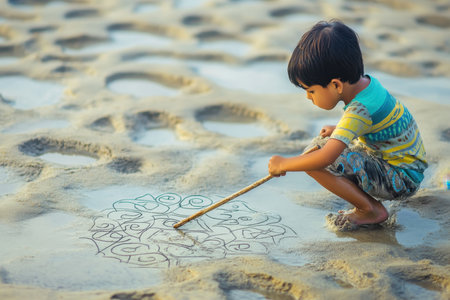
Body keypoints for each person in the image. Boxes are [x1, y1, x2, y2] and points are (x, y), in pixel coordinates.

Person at [268, 20, 427, 229]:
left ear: (335, 85)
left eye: (311, 90)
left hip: (401, 180)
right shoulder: (368, 84)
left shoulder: (358, 110)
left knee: (312, 157)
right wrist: (340, 129)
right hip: (409, 167)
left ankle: (370, 209)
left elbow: (326, 158)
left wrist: (285, 164)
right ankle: (367, 205)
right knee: (322, 144)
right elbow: (375, 124)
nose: (308, 97)